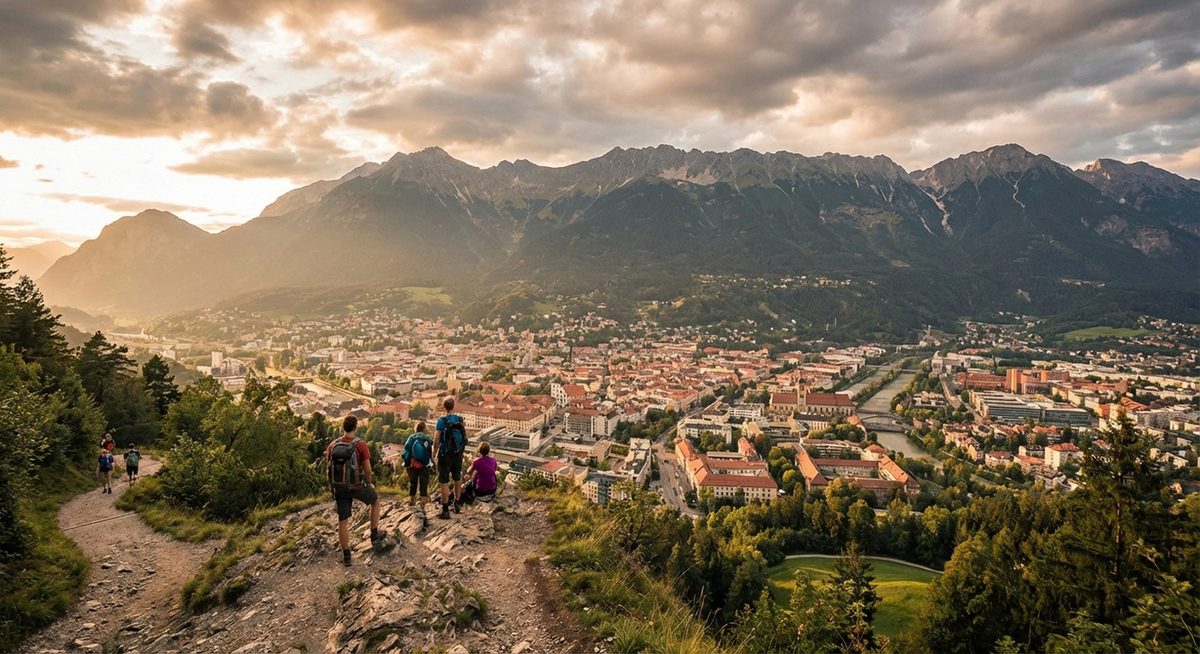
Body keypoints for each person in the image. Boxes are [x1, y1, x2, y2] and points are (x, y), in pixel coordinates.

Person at [325, 415, 384, 567]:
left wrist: (333, 487)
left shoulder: (332, 446)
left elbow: (328, 468)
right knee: (375, 501)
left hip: (339, 488)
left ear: (343, 427)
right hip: (357, 486)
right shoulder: (360, 445)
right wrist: (369, 483)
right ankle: (374, 535)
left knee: (343, 521)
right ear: (355, 427)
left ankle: (346, 557)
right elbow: (368, 470)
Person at [434, 396, 468, 520]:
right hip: (458, 453)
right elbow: (464, 436)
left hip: (445, 454)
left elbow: (436, 440)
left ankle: (445, 510)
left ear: (444, 407)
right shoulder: (459, 419)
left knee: (444, 481)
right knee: (457, 478)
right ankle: (457, 503)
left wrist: (434, 454)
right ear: (453, 406)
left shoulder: (441, 421)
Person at [402, 421, 434, 513]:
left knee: (413, 484)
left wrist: (407, 463)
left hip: (412, 465)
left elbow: (406, 451)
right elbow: (429, 453)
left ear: (416, 429)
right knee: (423, 486)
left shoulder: (411, 438)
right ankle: (422, 508)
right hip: (424, 465)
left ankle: (411, 504)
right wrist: (431, 461)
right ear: (424, 429)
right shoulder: (427, 438)